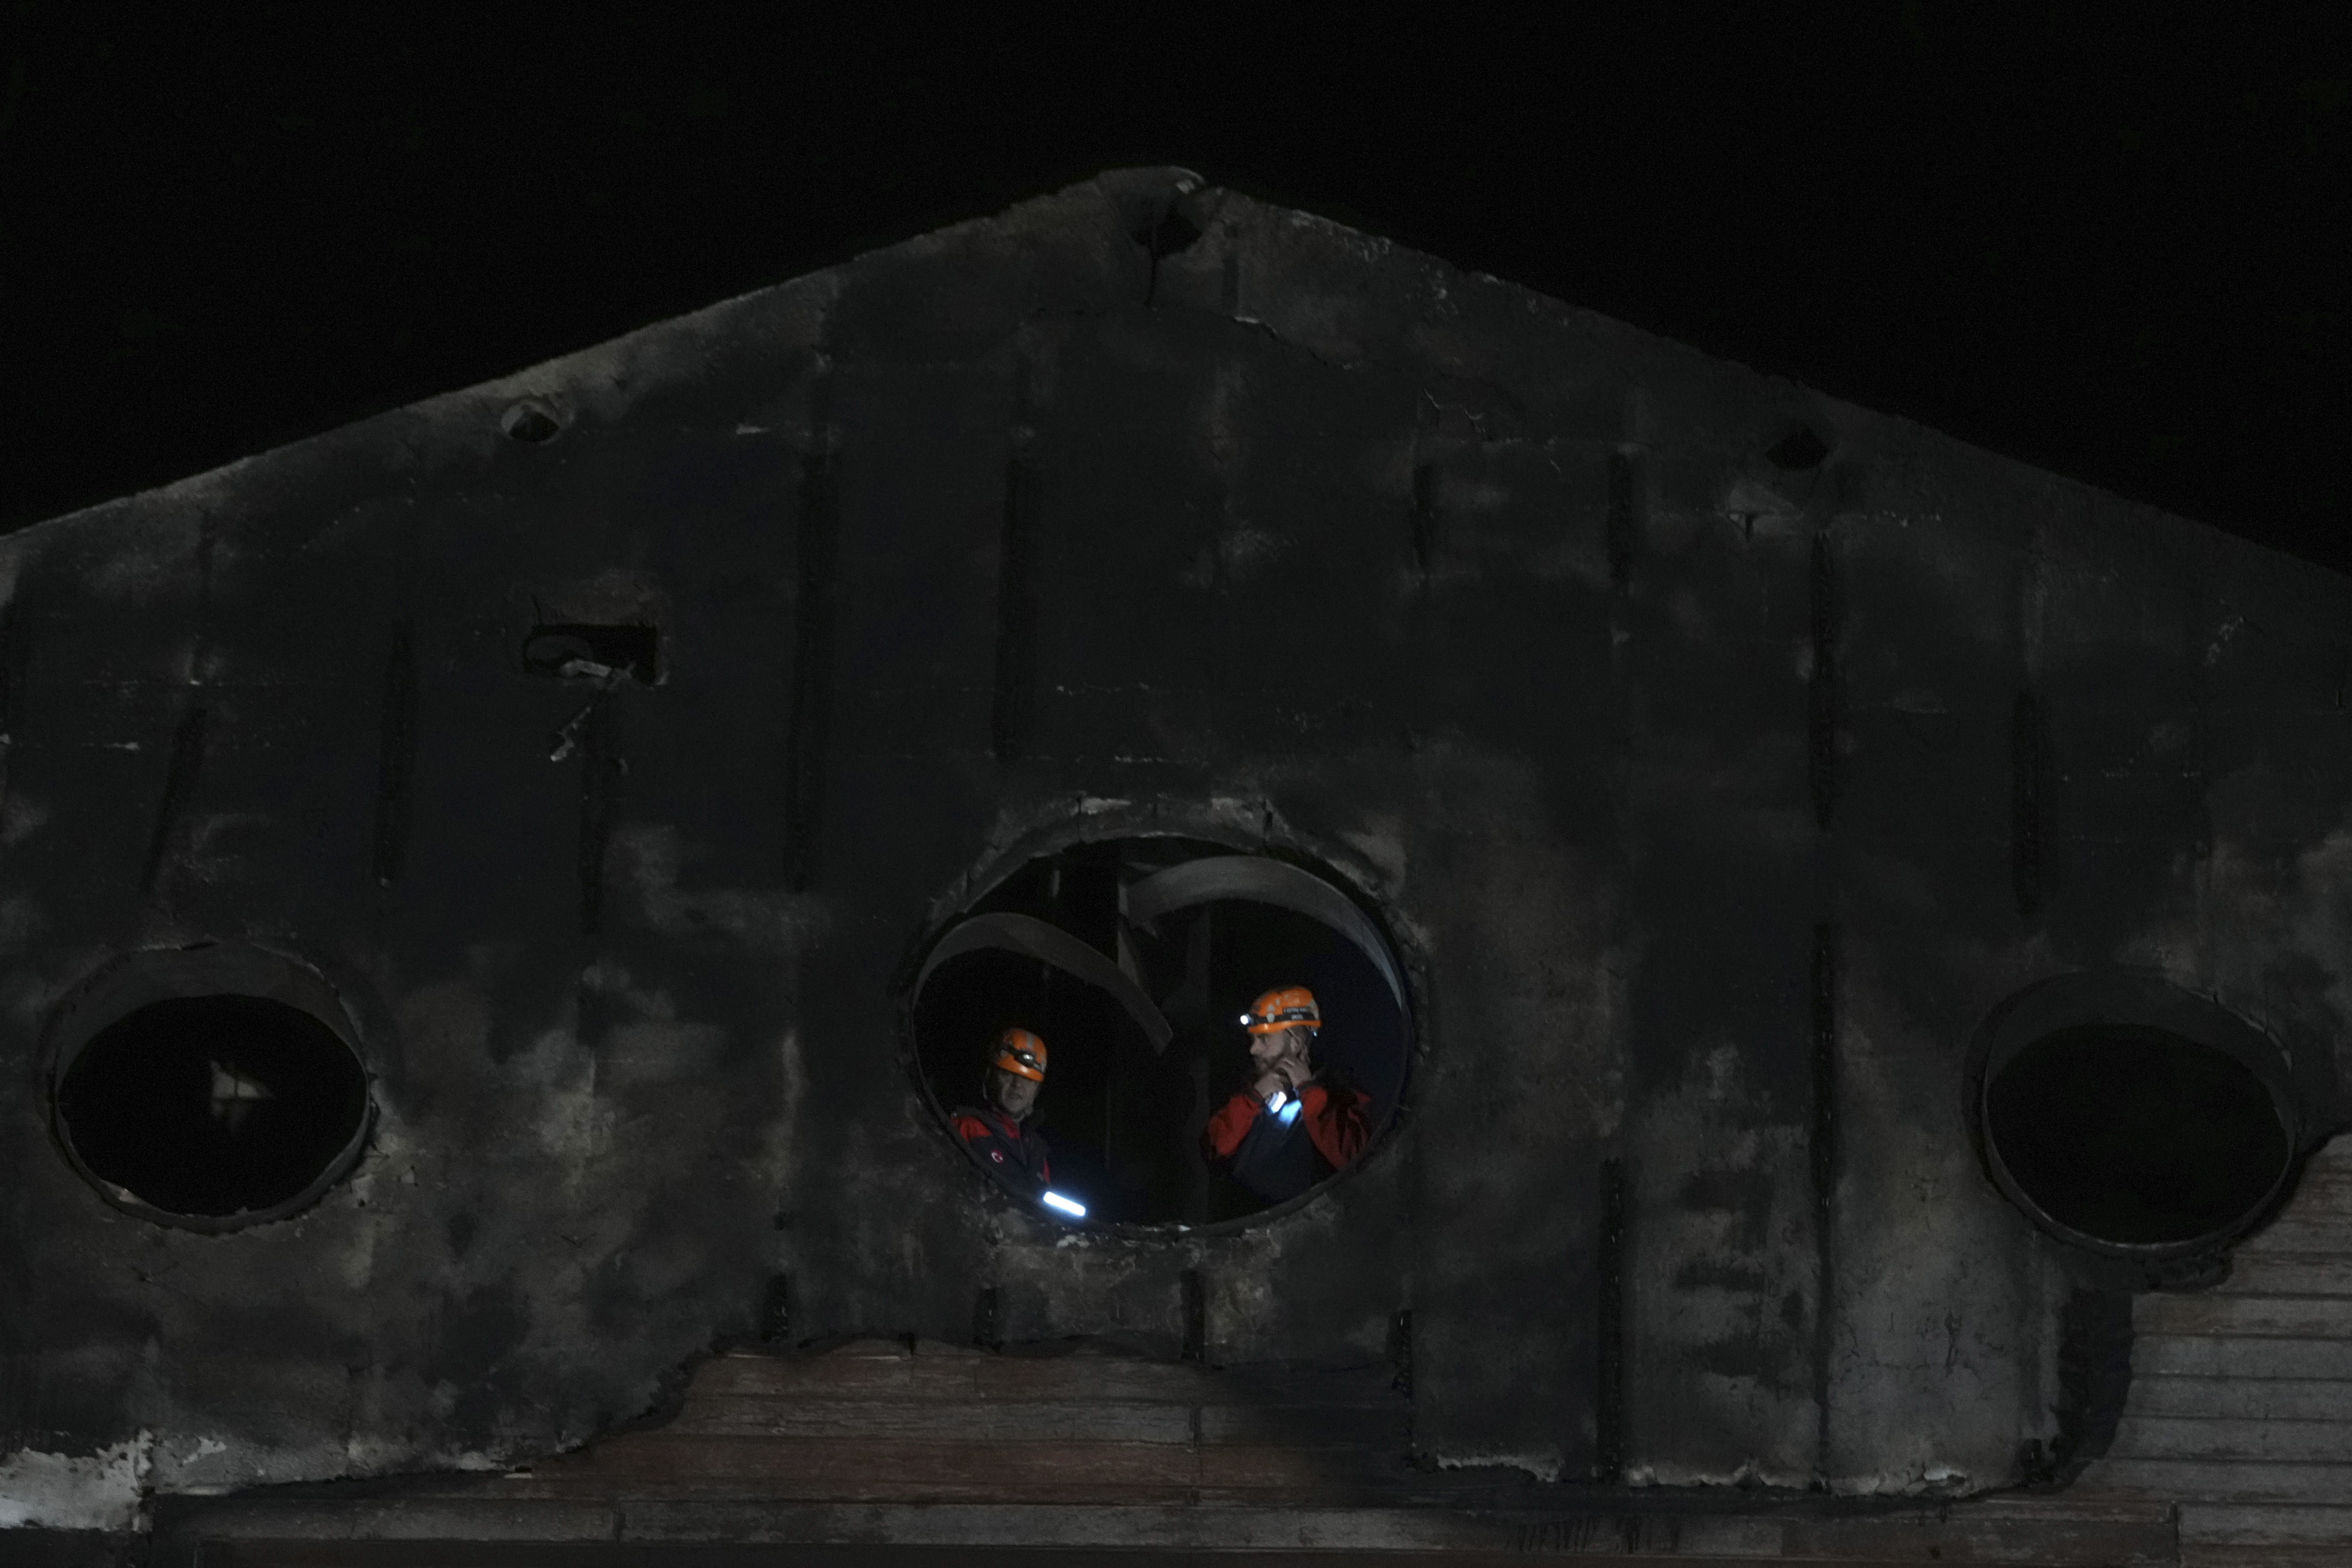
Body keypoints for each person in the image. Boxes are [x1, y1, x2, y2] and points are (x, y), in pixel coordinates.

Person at [1204, 985, 1369, 1203]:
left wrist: (1308, 1091)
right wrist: (1253, 1098)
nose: (1253, 1050)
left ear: (1296, 1042)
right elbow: (1212, 1152)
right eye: (1253, 1040)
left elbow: (1359, 1161)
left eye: (1263, 1039)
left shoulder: (1340, 1093)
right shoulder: (1253, 1093)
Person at [950, 1027, 1054, 1203]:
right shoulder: (967, 1127)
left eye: (1028, 1080)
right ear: (991, 1076)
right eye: (1009, 1074)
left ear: (1036, 1091)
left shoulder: (1036, 1152)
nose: (1018, 1086)